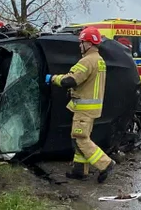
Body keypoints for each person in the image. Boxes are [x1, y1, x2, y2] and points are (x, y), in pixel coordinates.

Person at [47, 26, 116, 183]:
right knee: (79, 137)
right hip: (91, 108)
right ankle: (79, 171)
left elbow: (69, 80)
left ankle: (106, 164)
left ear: (89, 44)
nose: (79, 46)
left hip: (84, 109)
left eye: (82, 42)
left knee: (80, 139)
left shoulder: (87, 61)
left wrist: (52, 78)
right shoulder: (99, 60)